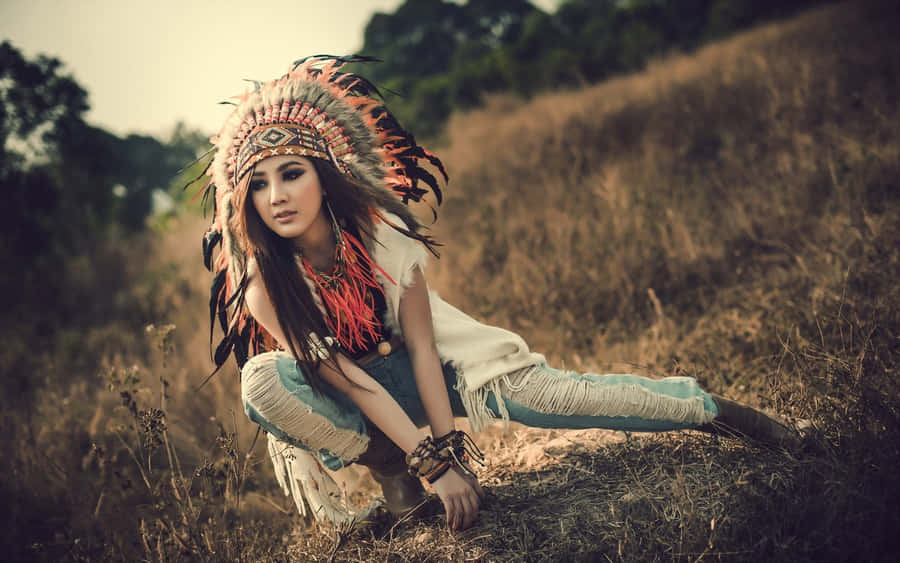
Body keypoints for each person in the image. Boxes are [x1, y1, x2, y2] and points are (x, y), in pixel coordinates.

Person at [199, 55, 798, 532]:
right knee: (262, 380)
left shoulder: (383, 236)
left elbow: (425, 349)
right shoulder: (265, 286)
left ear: (325, 176)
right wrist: (427, 466)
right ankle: (390, 471)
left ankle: (716, 412)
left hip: (440, 370)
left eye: (292, 173)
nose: (276, 196)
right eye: (259, 184)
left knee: (564, 398)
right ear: (245, 200)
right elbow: (351, 383)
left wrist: (450, 456)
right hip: (361, 402)